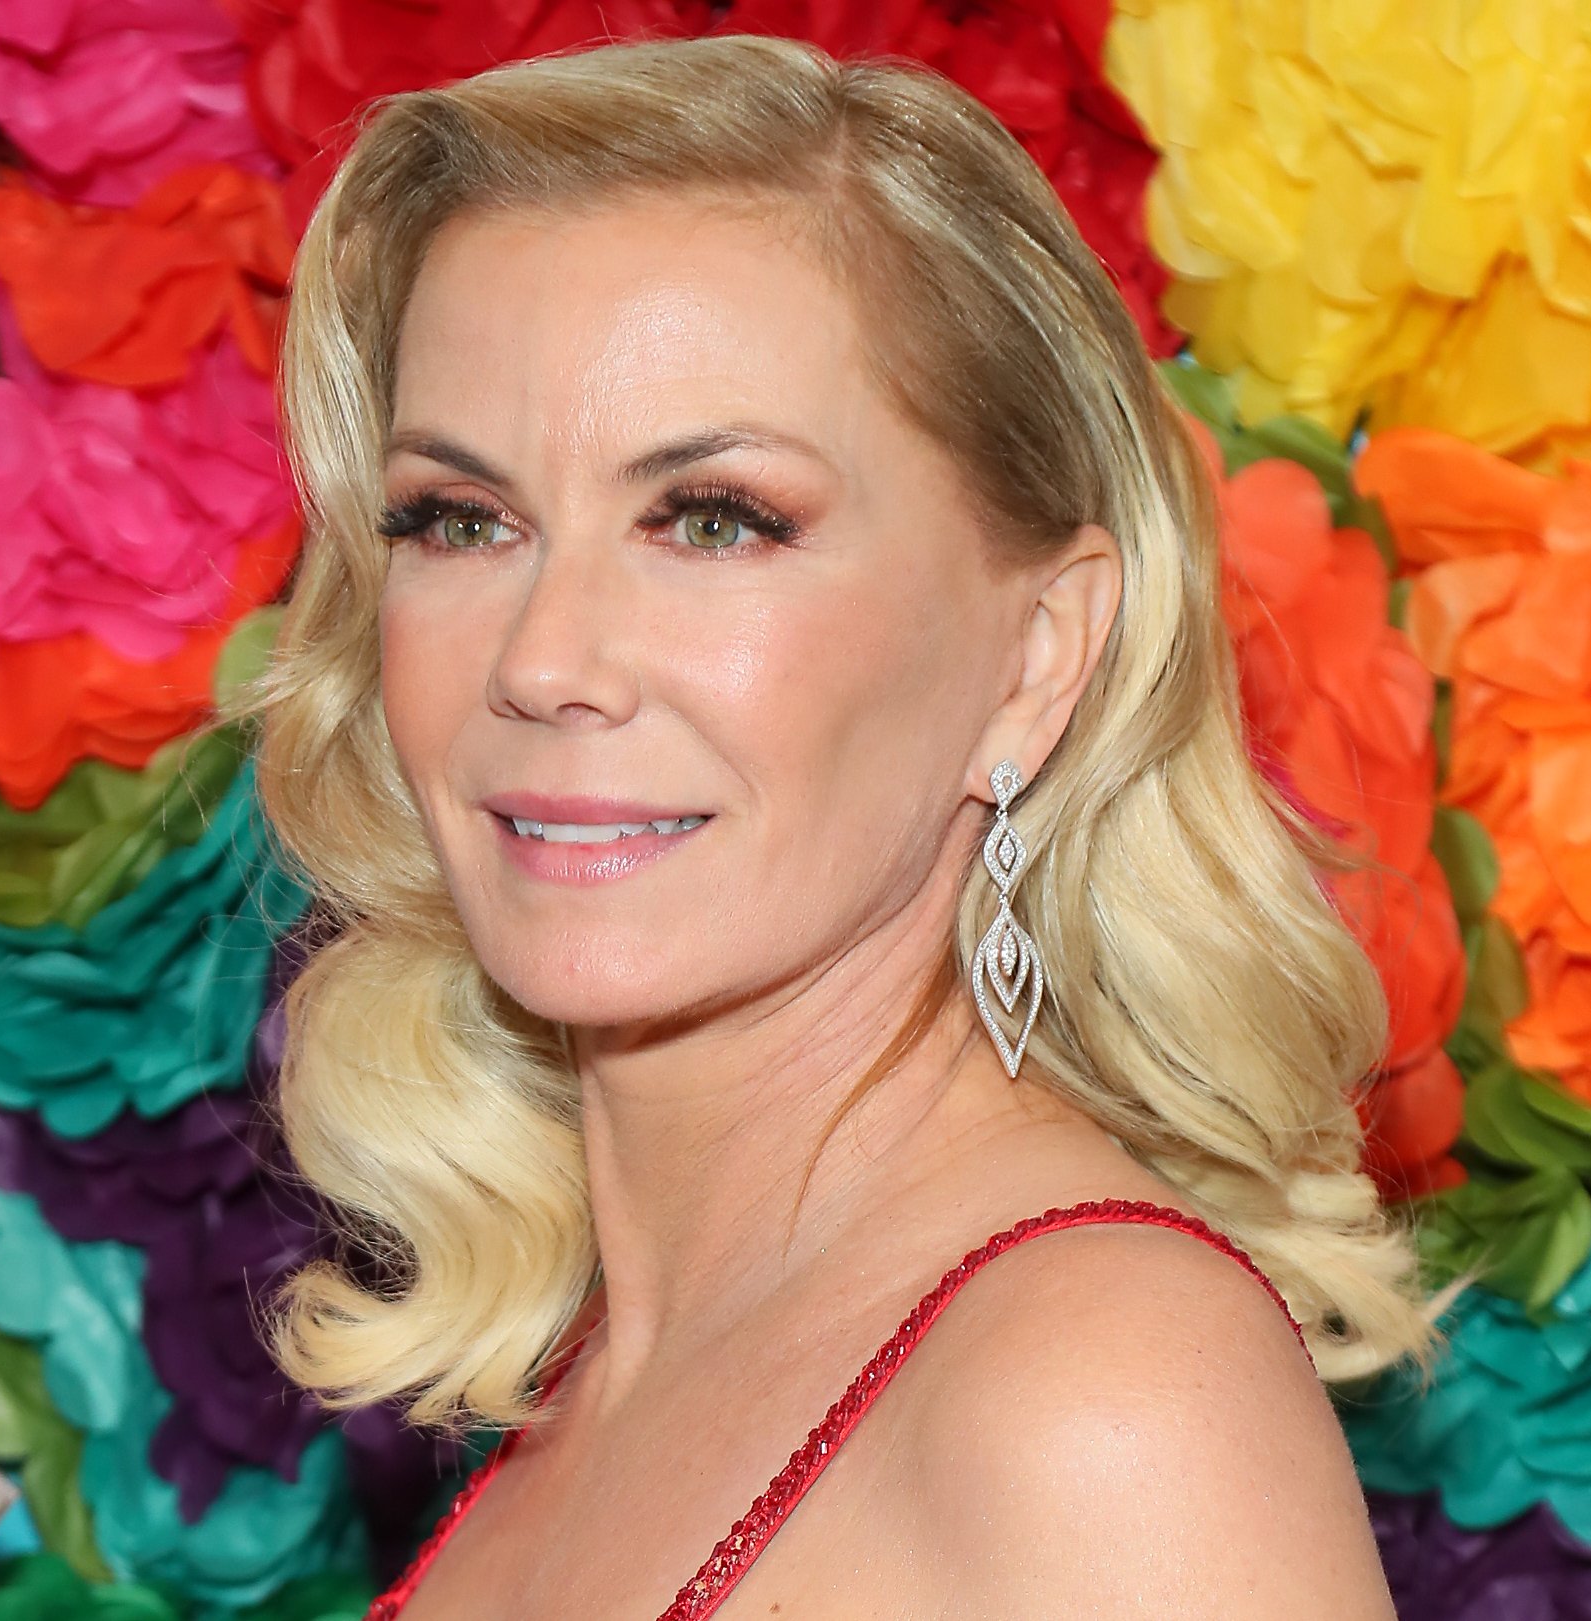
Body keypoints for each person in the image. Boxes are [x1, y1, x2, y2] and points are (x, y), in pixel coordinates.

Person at [246, 31, 1457, 1621]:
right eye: (460, 520)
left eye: (715, 520)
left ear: (1037, 655)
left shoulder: (1101, 1405)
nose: (541, 660)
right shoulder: (609, 1378)